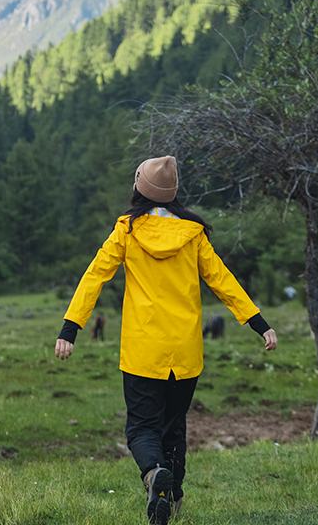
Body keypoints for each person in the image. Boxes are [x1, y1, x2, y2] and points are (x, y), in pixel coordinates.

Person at [54, 155, 277, 524]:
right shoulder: (193, 233)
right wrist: (258, 323)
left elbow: (95, 276)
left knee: (142, 428)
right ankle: (172, 499)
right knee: (174, 427)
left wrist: (70, 327)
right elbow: (222, 279)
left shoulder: (127, 229)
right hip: (185, 352)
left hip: (144, 352)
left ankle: (154, 474)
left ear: (140, 187)